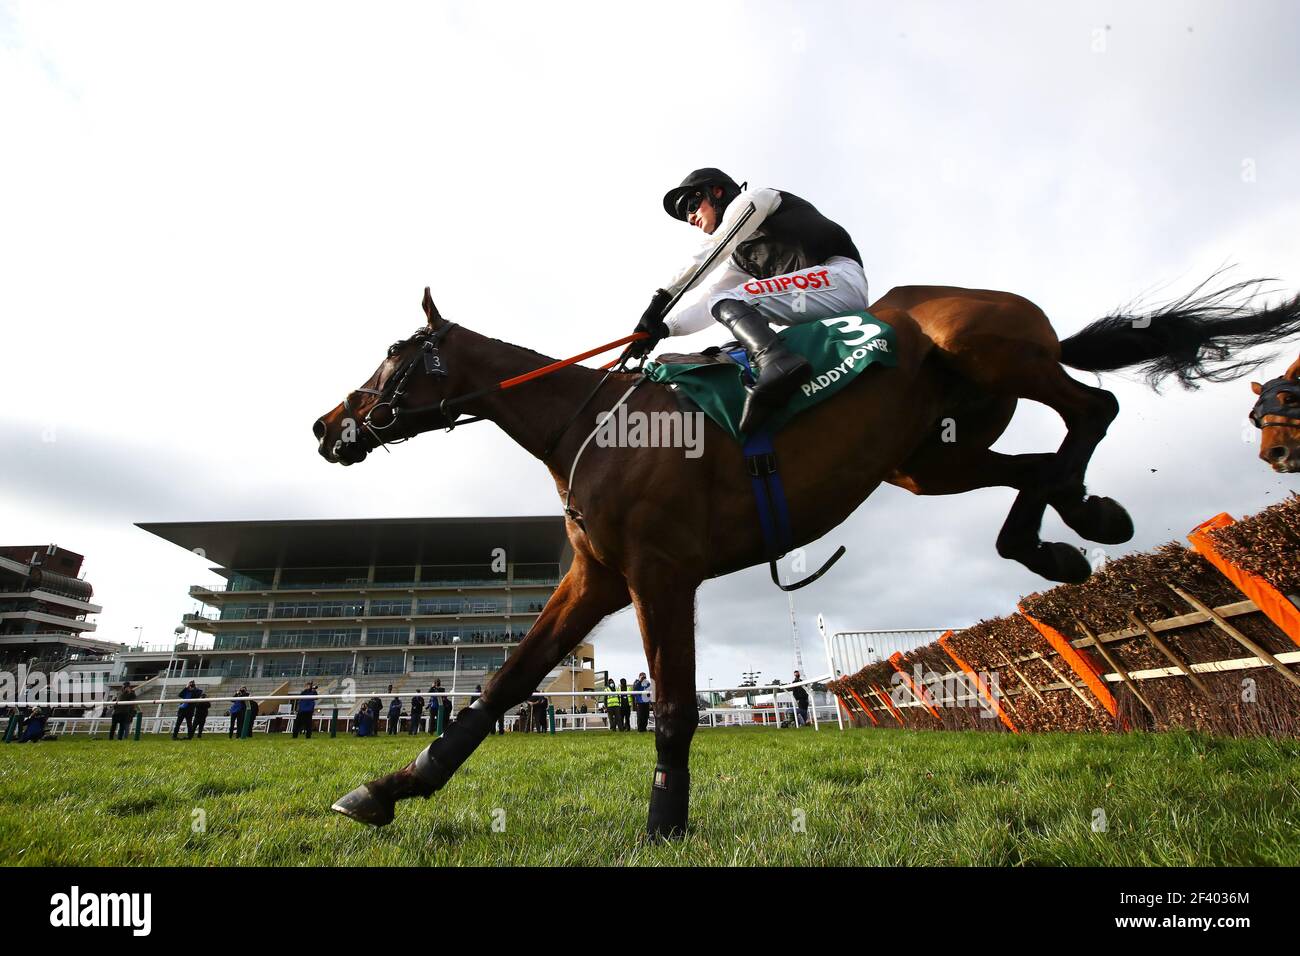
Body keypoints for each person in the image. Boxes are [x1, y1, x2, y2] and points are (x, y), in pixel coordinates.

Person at [634, 168, 867, 434]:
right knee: (723, 310)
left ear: (716, 192)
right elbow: (709, 303)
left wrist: (658, 303)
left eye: (691, 205)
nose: (690, 218)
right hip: (809, 300)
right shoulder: (741, 257)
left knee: (728, 299)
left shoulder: (758, 198)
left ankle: (778, 363)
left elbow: (711, 251)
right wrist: (663, 329)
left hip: (839, 279)